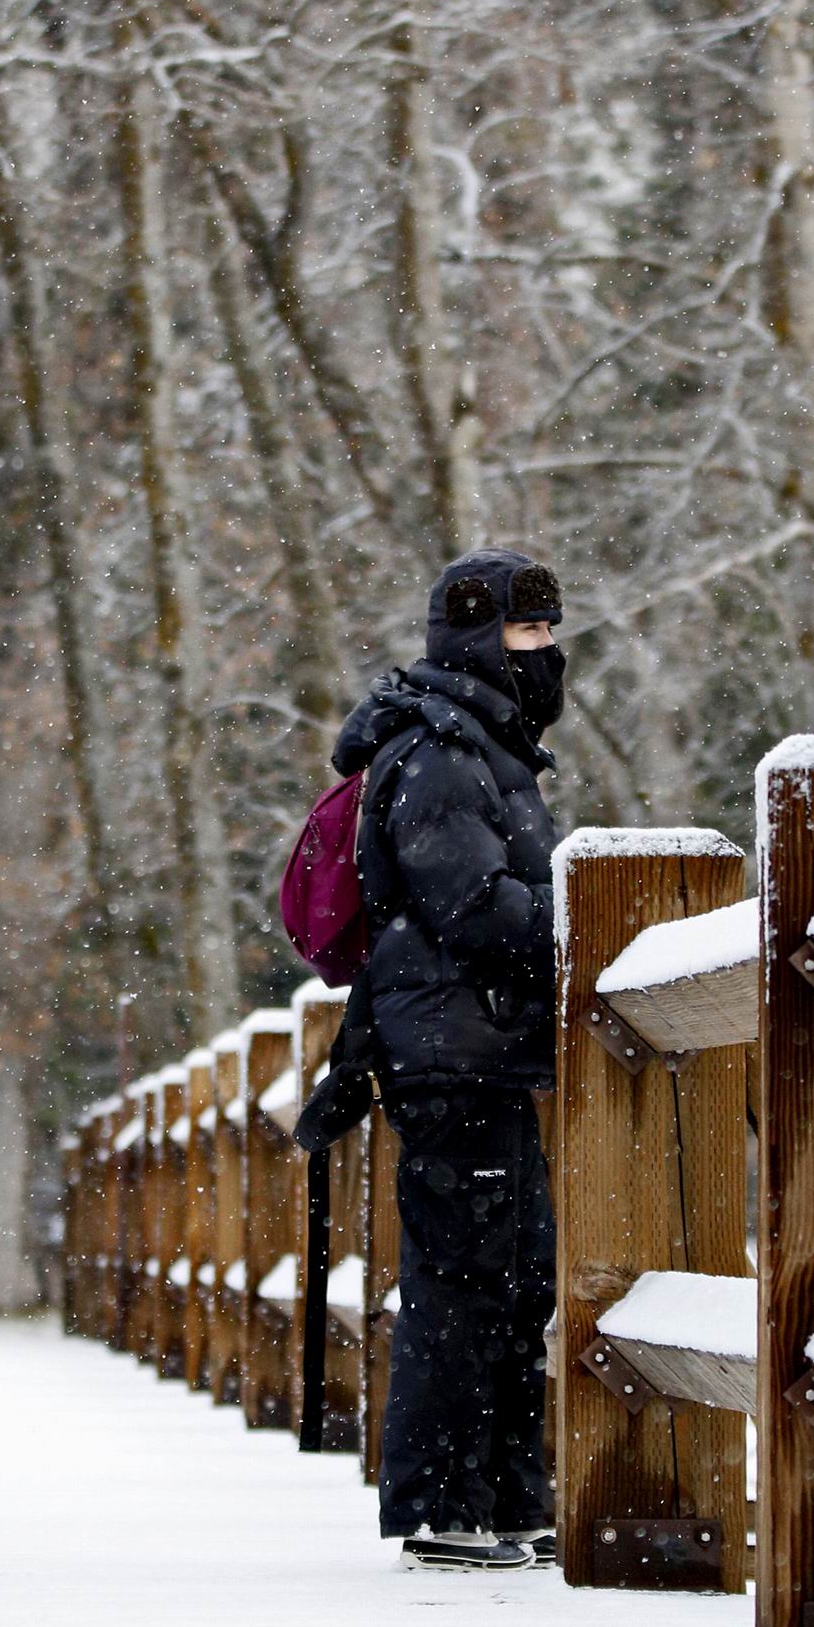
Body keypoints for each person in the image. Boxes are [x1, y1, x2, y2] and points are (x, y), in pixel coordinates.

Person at [330, 549, 565, 1570]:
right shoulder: (438, 755)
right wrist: (578, 932)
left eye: (552, 632)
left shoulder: (483, 749)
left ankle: (507, 1499)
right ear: (476, 637)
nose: (548, 653)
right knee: (462, 1277)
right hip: (447, 1053)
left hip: (487, 1048)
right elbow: (463, 901)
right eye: (528, 633)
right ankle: (435, 1506)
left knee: (518, 1278)